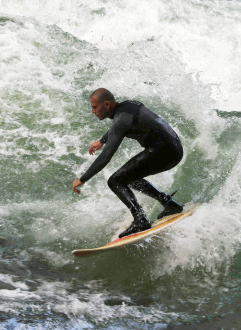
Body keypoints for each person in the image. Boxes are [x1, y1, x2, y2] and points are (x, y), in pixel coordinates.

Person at [72, 88, 184, 238]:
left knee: (115, 180)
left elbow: (106, 157)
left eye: (94, 107)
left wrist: (82, 179)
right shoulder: (129, 105)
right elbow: (118, 126)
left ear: (106, 104)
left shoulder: (121, 120)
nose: (93, 111)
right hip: (173, 148)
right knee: (128, 176)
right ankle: (169, 204)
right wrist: (102, 140)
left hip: (164, 151)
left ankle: (140, 219)